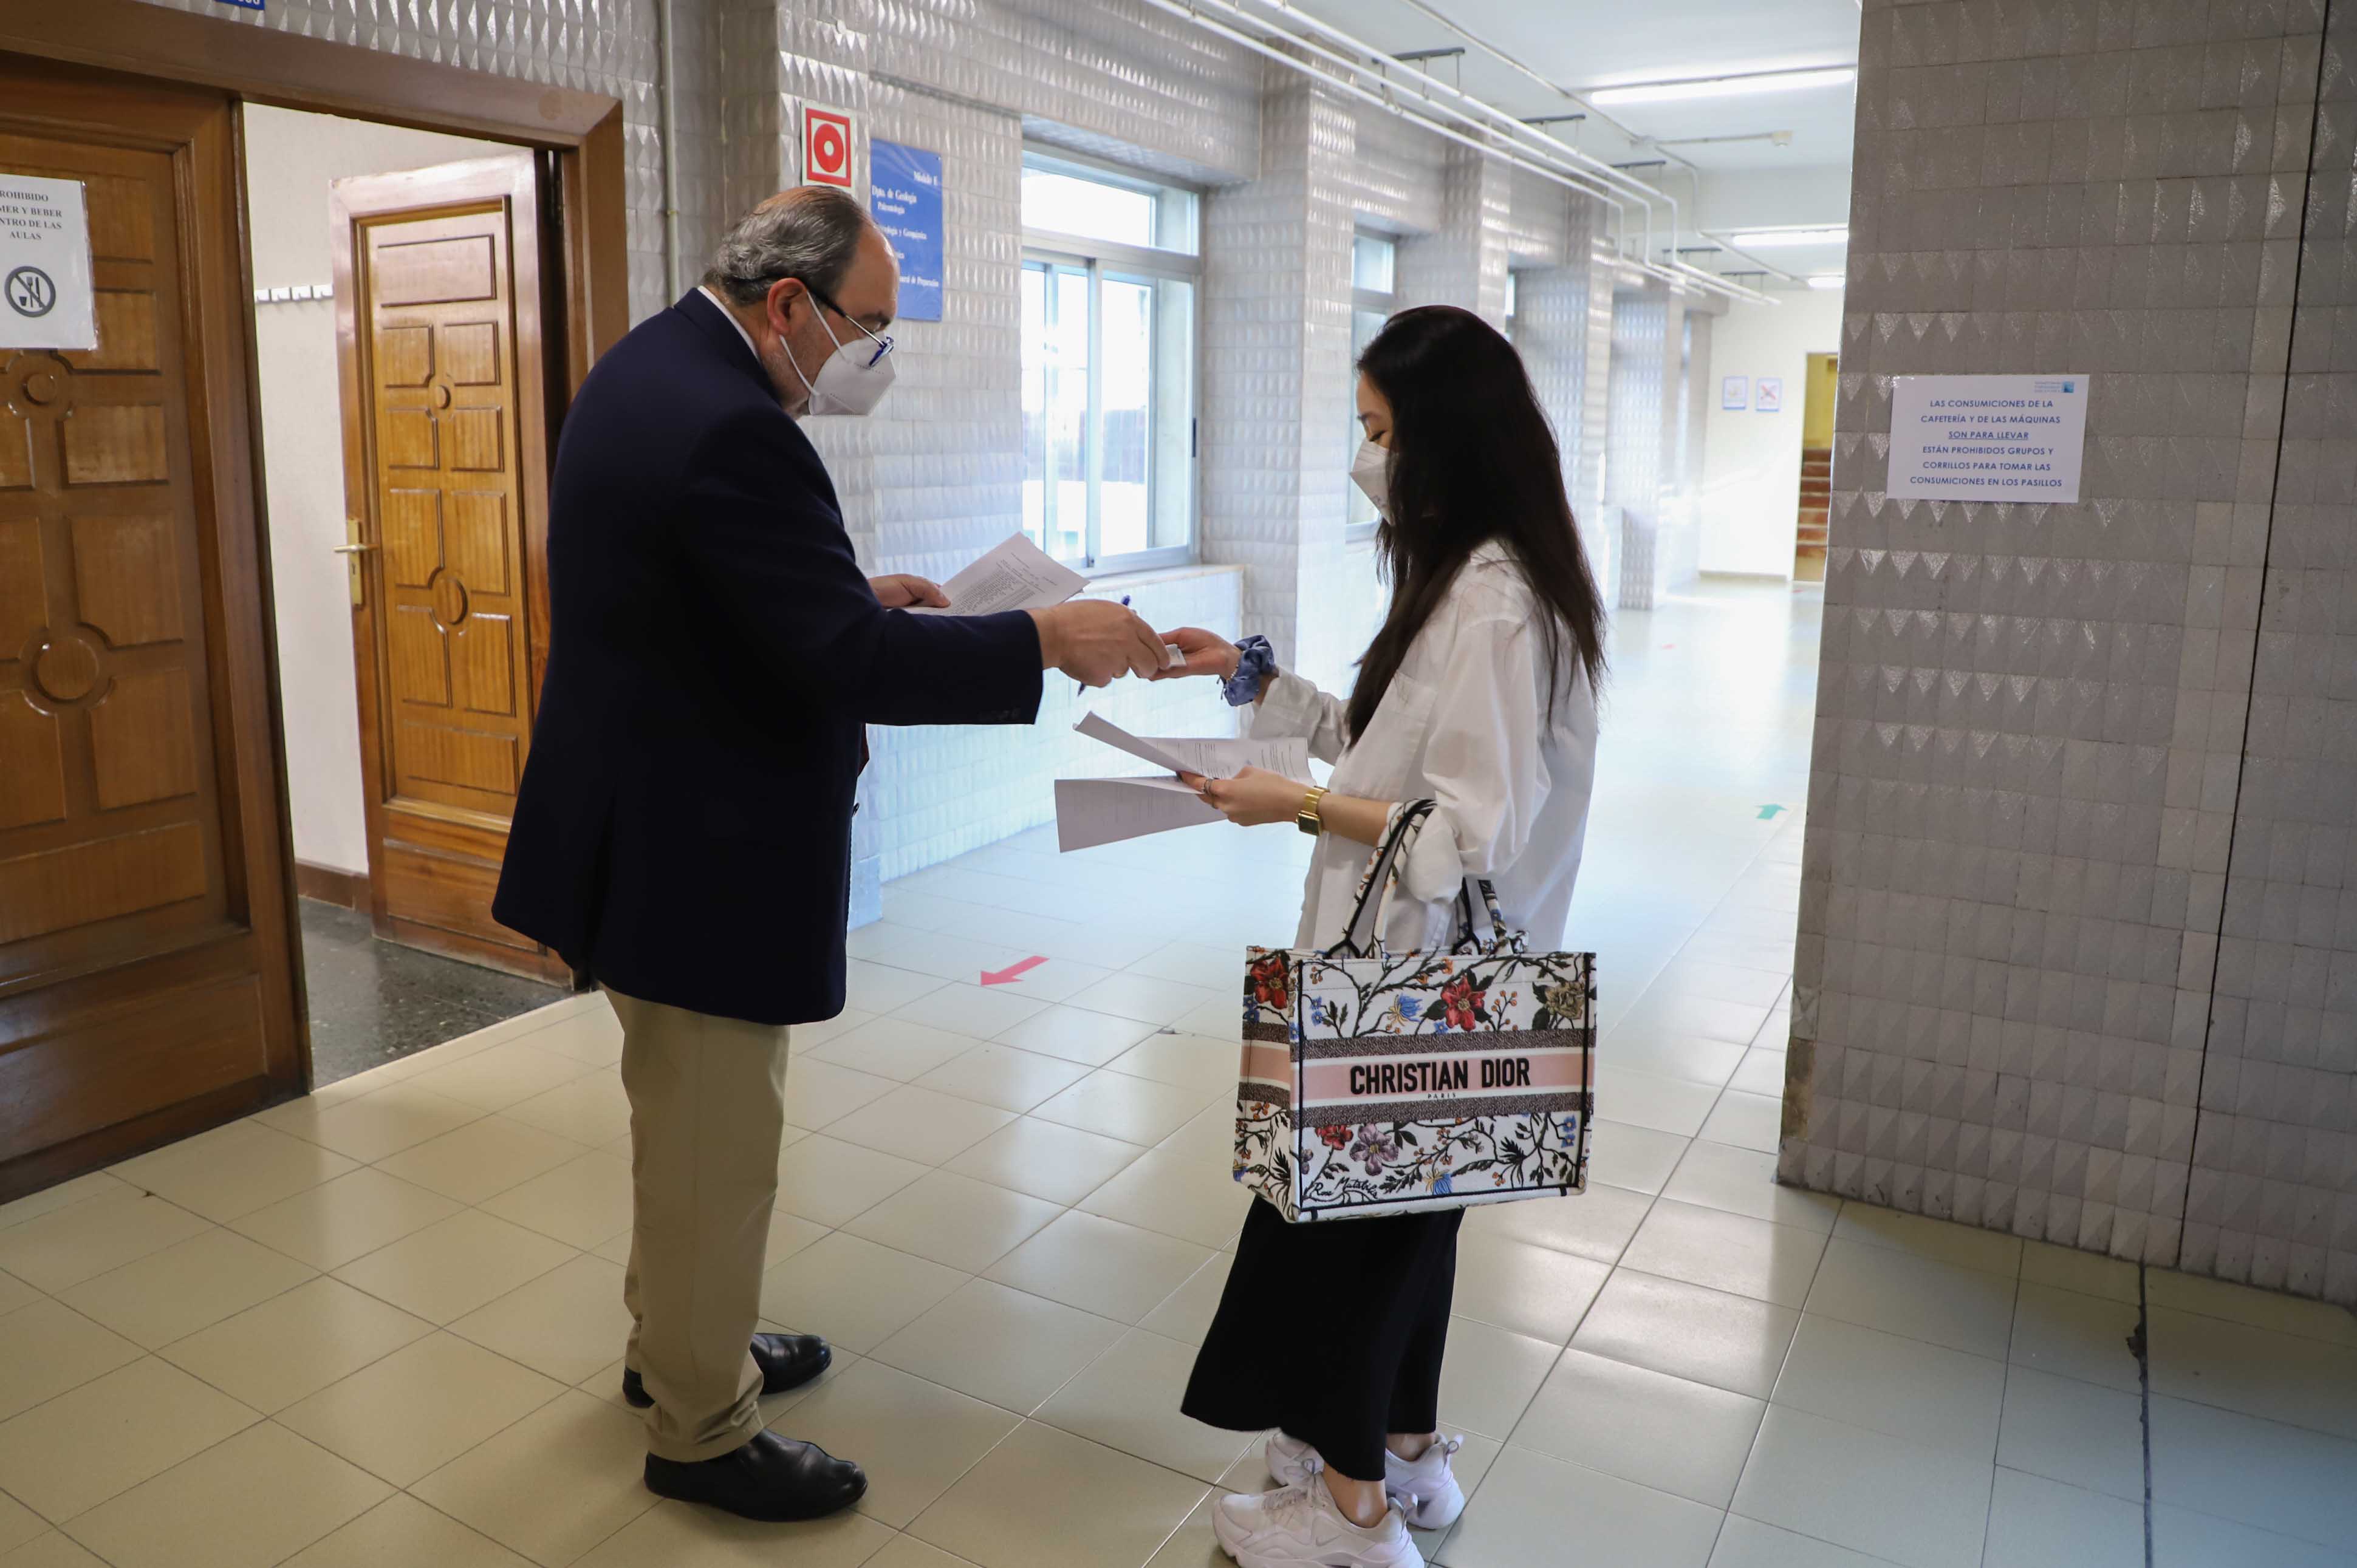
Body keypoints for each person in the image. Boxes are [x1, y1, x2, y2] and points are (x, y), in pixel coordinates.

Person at [492, 186, 1165, 1524]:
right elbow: (847, 666)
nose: (877, 358)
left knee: (681, 1131)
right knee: (711, 1147)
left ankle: (674, 1345)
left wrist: (848, 591)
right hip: (697, 851)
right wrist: (1043, 639)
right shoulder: (734, 425)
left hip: (643, 820)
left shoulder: (651, 366)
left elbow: (723, 599)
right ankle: (699, 1426)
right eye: (868, 326)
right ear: (787, 306)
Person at [1152, 304, 1606, 1568]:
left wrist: (1288, 803)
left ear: (1448, 439)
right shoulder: (1471, 577)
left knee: (1357, 1243)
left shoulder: (1497, 603)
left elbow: (1460, 830)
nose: (1369, 459)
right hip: (1434, 984)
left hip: (1417, 985)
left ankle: (1348, 1520)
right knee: (1413, 1226)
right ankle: (1407, 1464)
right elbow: (1389, 729)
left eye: (1382, 432)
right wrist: (1253, 681)